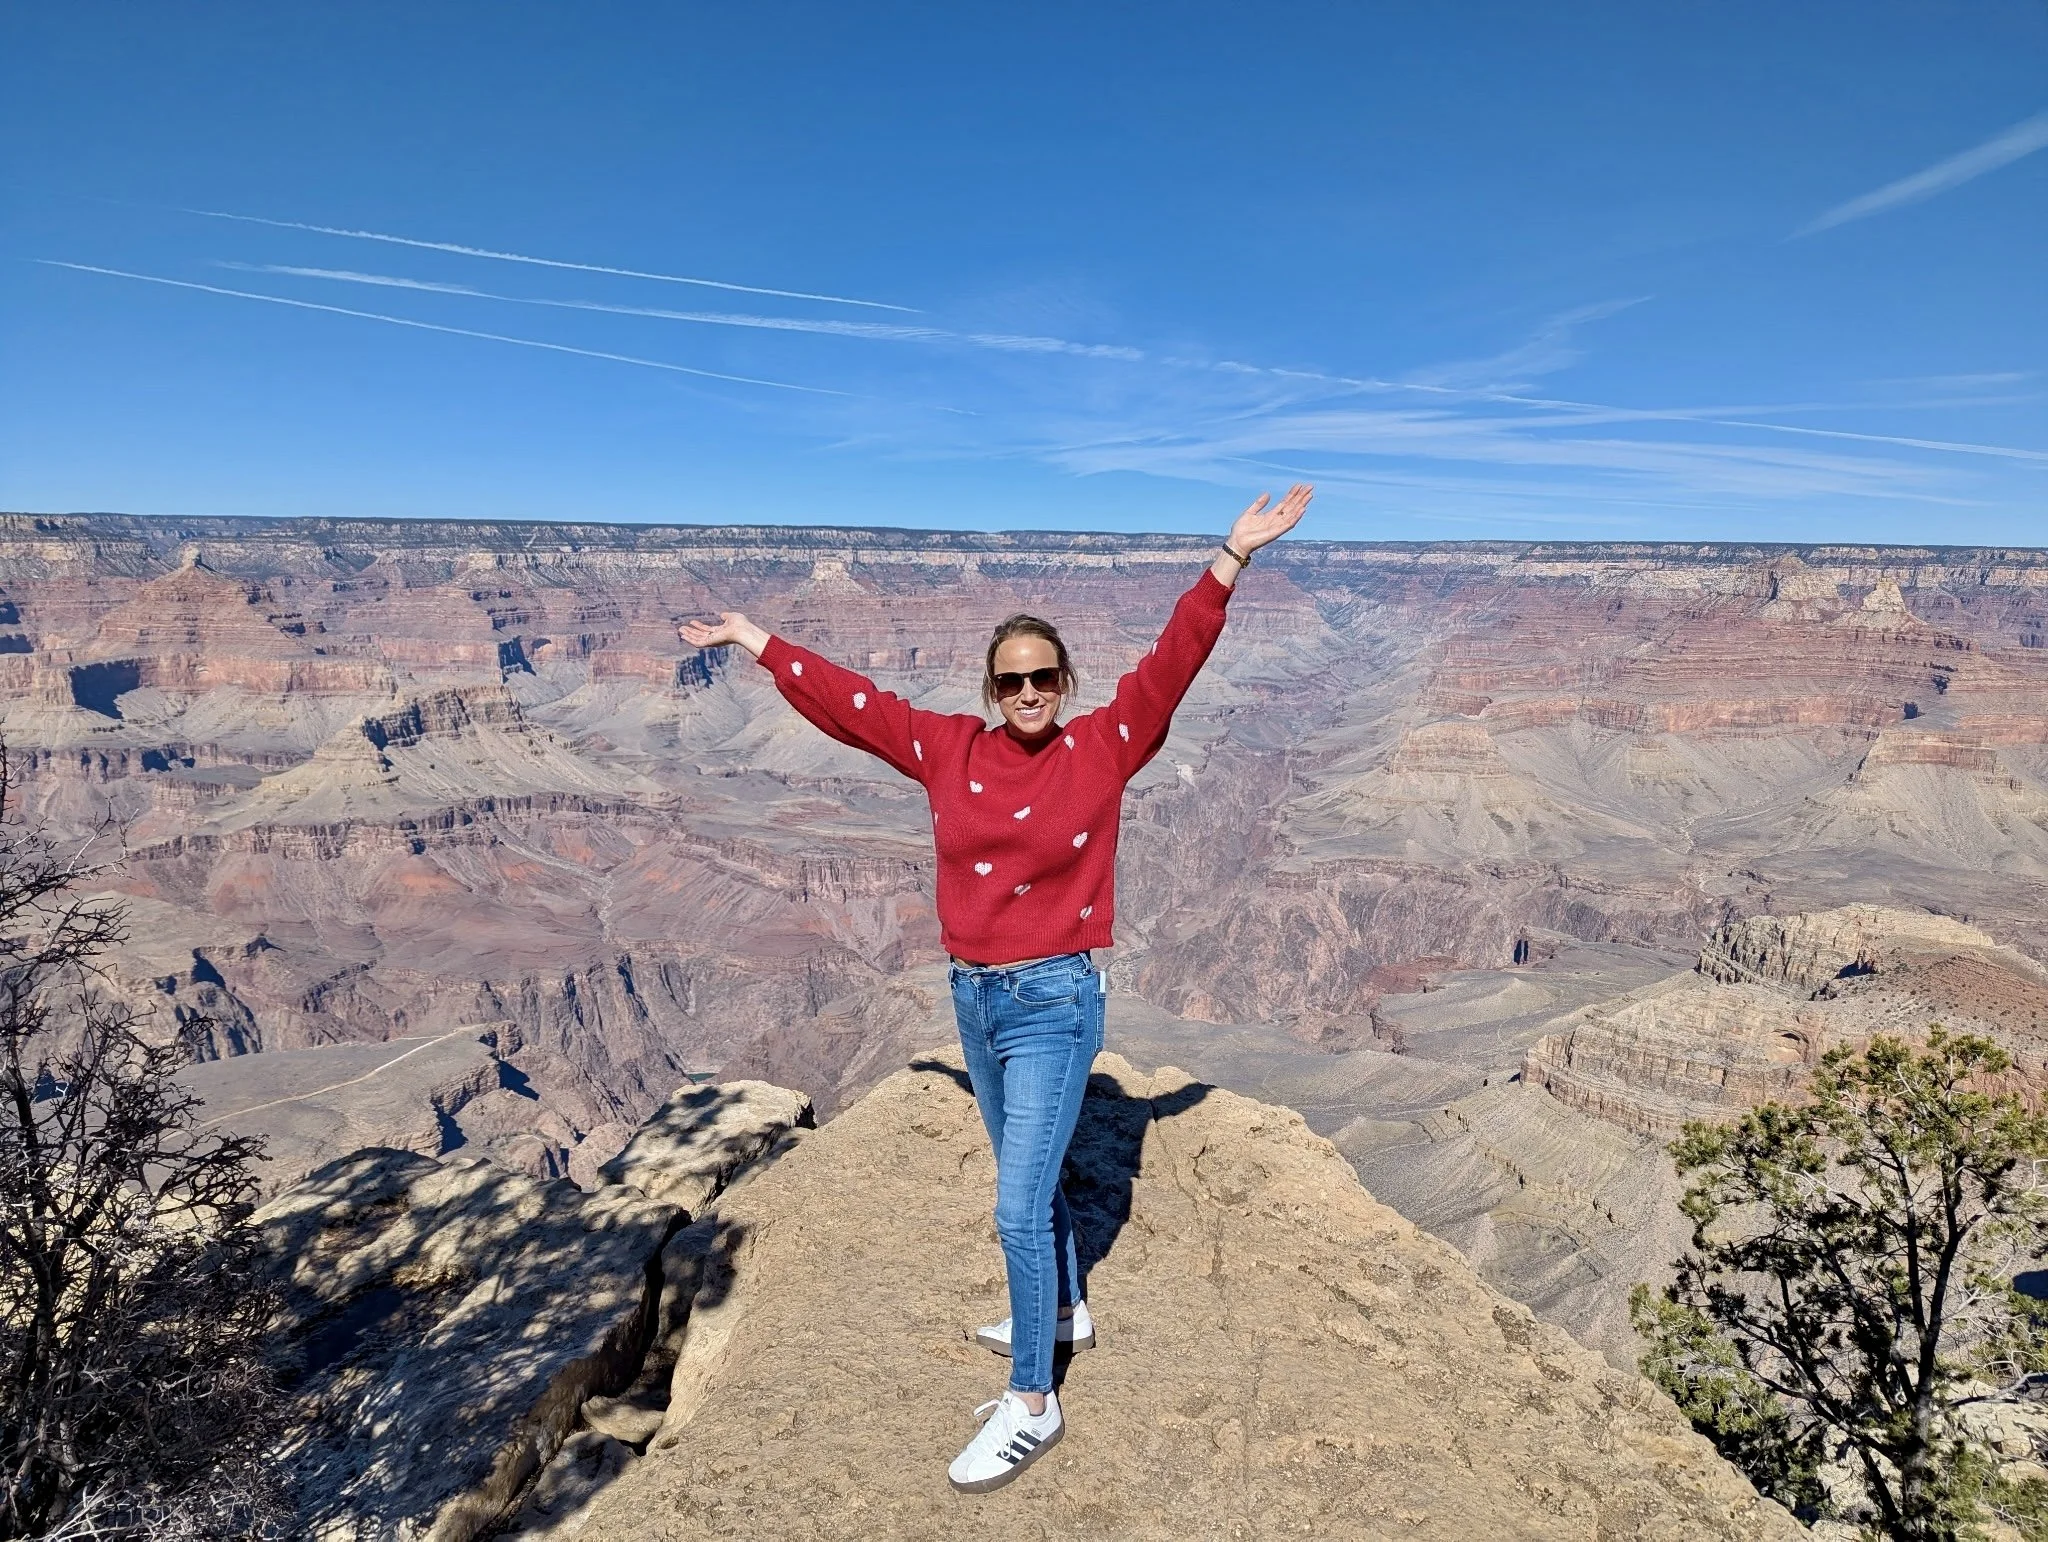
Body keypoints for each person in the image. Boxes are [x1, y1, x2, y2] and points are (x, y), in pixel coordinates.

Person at [679, 484, 1313, 1492]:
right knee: (1034, 1175)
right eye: (1011, 681)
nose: (1028, 694)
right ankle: (1062, 1311)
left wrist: (1229, 557)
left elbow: (1171, 665)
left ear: (1064, 682)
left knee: (1014, 1205)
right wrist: (760, 640)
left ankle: (1032, 1401)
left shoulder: (1101, 749)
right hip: (974, 1000)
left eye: (1043, 679)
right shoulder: (947, 749)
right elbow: (854, 708)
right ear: (989, 688)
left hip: (1053, 1002)